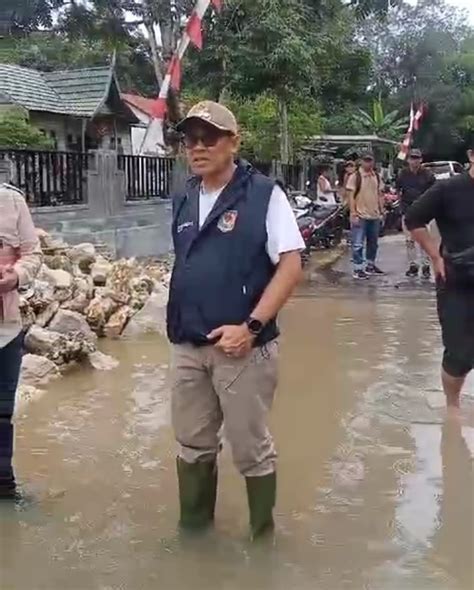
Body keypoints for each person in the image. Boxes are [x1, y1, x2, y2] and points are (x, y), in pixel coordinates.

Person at [167, 101, 304, 538]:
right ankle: (193, 534)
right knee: (192, 445)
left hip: (243, 348)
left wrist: (252, 327)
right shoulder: (185, 195)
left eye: (209, 138)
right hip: (188, 345)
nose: (198, 147)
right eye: (191, 139)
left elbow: (290, 265)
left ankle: (261, 539)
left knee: (251, 449)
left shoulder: (264, 194)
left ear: (233, 142)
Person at [405, 141, 474, 414]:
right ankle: (453, 407)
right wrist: (435, 256)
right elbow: (413, 219)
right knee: (458, 353)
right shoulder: (448, 189)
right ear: (471, 155)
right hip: (456, 280)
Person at [0, 158, 42, 500]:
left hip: (6, 330)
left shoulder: (11, 201)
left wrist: (15, 276)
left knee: (2, 416)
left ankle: (5, 488)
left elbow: (33, 254)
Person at [396, 149, 435, 278]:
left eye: (417, 158)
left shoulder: (427, 174)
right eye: (412, 158)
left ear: (421, 160)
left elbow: (433, 192)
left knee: (424, 241)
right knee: (409, 241)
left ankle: (425, 266)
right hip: (407, 210)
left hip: (423, 212)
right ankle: (413, 265)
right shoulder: (403, 174)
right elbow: (398, 190)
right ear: (408, 160)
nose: (414, 161)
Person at [346, 152, 385, 279]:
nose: (368, 163)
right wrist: (353, 213)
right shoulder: (355, 176)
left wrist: (382, 211)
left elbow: (380, 194)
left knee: (373, 243)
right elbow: (351, 196)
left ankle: (370, 265)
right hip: (360, 215)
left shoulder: (377, 176)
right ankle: (358, 269)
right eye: (366, 160)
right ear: (361, 161)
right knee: (358, 243)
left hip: (374, 215)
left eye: (370, 160)